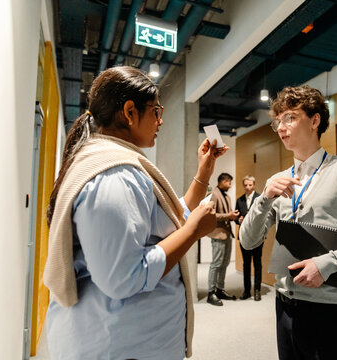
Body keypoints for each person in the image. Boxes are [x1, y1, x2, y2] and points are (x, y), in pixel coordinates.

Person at [43, 66, 227, 360]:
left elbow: (165, 220)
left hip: (124, 341)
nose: (160, 120)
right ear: (129, 112)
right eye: (155, 111)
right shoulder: (115, 176)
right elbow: (123, 278)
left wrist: (204, 172)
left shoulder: (113, 164)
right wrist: (192, 232)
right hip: (119, 345)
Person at [240, 85, 337, 360]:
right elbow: (248, 240)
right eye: (277, 121)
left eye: (290, 117)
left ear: (314, 120)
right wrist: (264, 197)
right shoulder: (278, 181)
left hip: (331, 308)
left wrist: (328, 263)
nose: (280, 127)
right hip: (285, 305)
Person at [206, 172, 240, 306]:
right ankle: (211, 292)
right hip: (217, 233)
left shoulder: (227, 196)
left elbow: (228, 213)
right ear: (221, 182)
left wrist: (235, 216)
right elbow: (210, 215)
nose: (230, 185)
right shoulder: (213, 194)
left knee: (225, 263)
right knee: (216, 264)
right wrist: (228, 216)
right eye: (228, 182)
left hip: (227, 233)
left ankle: (220, 289)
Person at [235, 175, 263, 301]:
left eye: (250, 185)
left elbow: (264, 216)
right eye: (245, 185)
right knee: (246, 264)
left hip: (257, 236)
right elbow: (236, 217)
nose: (247, 187)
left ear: (254, 185)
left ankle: (257, 290)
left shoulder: (259, 198)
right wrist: (238, 219)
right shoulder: (239, 200)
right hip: (244, 236)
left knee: (257, 263)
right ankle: (247, 290)